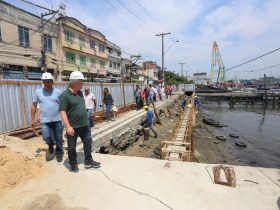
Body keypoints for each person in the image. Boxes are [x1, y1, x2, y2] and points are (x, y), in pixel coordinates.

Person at [59, 71, 100, 172]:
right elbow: (62, 111)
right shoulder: (65, 95)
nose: (83, 84)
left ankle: (88, 160)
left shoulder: (80, 93)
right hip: (73, 126)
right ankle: (73, 163)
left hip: (84, 125)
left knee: (88, 142)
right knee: (72, 147)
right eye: (81, 82)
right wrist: (68, 126)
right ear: (75, 83)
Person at [31, 72, 63, 162]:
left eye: (49, 81)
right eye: (45, 82)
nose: (47, 83)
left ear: (52, 82)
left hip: (57, 119)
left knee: (59, 138)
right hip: (45, 120)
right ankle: (50, 144)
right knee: (46, 137)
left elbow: (63, 106)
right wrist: (32, 119)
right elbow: (34, 106)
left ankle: (59, 153)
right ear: (43, 82)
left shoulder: (58, 92)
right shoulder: (38, 92)